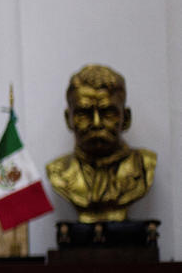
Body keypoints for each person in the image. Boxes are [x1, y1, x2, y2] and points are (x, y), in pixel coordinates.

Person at [46, 64, 156, 223]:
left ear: (126, 118)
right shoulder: (58, 172)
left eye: (108, 113)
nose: (96, 123)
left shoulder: (145, 167)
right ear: (68, 119)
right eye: (84, 113)